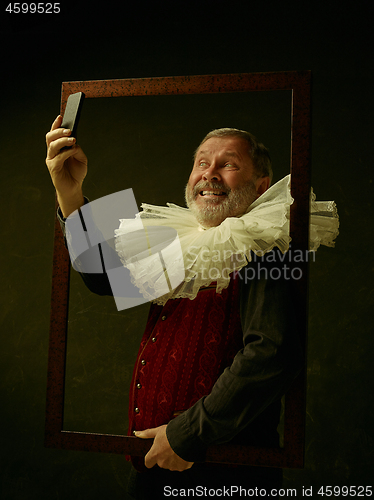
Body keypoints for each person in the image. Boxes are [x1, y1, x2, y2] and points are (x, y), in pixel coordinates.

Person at [46, 115, 304, 498]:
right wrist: (71, 193)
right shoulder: (180, 237)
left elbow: (272, 353)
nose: (209, 174)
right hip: (153, 462)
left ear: (260, 185)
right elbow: (102, 279)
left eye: (228, 164)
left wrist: (185, 435)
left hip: (223, 470)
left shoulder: (270, 242)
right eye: (202, 162)